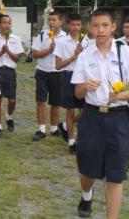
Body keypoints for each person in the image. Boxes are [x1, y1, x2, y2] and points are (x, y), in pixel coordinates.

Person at [71, 8, 129, 219]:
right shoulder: (85, 56)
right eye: (95, 25)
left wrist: (118, 96)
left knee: (116, 175)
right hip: (92, 118)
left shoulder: (127, 53)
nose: (100, 30)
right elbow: (77, 92)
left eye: (105, 25)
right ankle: (87, 193)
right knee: (87, 170)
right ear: (90, 28)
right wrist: (86, 86)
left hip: (120, 118)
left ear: (113, 27)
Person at [0, 14, 24, 136]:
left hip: (10, 71)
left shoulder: (15, 39)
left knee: (12, 100)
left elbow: (17, 58)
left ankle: (9, 116)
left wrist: (8, 51)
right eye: (4, 22)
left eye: (9, 23)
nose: (7, 25)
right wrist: (1, 52)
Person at [31, 11, 67, 141]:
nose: (51, 22)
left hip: (58, 73)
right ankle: (41, 129)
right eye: (49, 20)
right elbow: (34, 54)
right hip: (42, 72)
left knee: (55, 102)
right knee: (41, 101)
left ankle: (54, 128)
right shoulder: (41, 35)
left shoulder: (65, 38)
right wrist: (49, 50)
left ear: (60, 22)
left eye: (54, 20)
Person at [54, 13, 84, 154]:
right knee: (70, 110)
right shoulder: (62, 42)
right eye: (73, 24)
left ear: (81, 26)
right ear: (68, 25)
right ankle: (72, 142)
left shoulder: (86, 41)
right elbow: (58, 66)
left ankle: (65, 125)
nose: (75, 27)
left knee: (86, 111)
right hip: (68, 77)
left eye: (78, 24)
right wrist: (74, 56)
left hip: (83, 78)